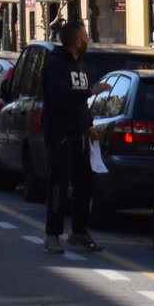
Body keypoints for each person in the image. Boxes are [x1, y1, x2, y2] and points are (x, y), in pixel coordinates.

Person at [42, 18, 99, 254]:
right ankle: (52, 234)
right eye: (85, 37)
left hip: (79, 134)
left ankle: (78, 231)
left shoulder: (80, 64)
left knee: (84, 183)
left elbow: (80, 104)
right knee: (59, 183)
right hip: (59, 133)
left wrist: (88, 125)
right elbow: (60, 97)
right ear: (77, 41)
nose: (88, 41)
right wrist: (90, 91)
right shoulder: (56, 64)